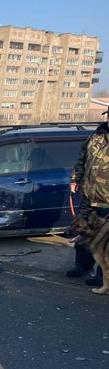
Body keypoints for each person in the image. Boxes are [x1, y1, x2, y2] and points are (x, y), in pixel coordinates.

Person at [66, 108, 109, 285]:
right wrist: (76, 179)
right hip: (89, 193)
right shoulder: (97, 134)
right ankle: (82, 265)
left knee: (106, 238)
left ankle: (102, 274)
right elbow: (82, 158)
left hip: (107, 198)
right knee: (81, 229)